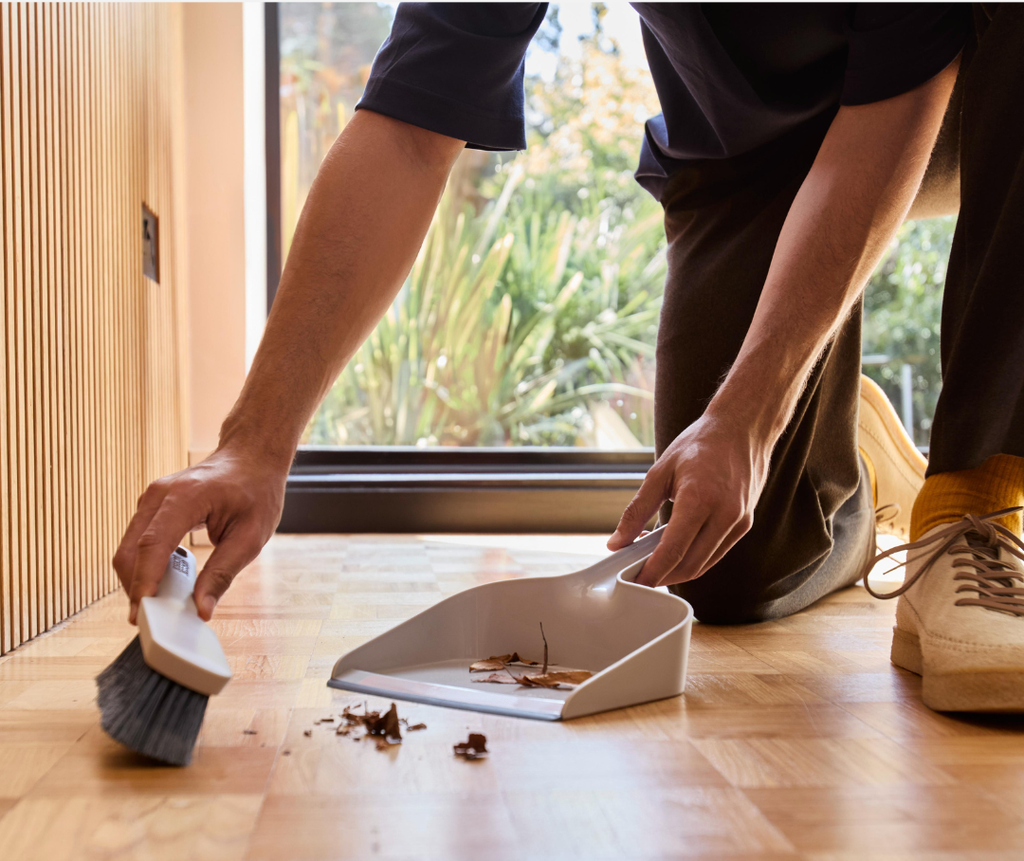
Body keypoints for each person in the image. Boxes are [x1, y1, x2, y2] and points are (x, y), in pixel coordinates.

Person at [114, 3, 1024, 712]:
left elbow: (892, 101)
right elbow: (406, 128)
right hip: (748, 148)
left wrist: (749, 414)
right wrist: (256, 442)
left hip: (951, 84)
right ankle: (849, 474)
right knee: (731, 570)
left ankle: (972, 504)